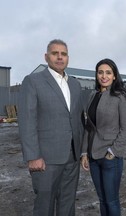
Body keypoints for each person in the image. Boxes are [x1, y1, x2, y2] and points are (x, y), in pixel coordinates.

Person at [18, 39, 84, 216]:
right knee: (44, 206)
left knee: (67, 205)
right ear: (46, 57)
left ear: (68, 58)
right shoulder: (33, 81)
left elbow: (79, 120)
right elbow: (26, 120)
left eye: (63, 54)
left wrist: (82, 151)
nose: (60, 57)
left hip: (72, 157)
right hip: (46, 160)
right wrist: (33, 156)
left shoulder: (75, 85)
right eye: (55, 53)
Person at [81, 58, 126, 216]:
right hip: (93, 157)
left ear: (114, 76)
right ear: (96, 75)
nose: (104, 76)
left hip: (111, 158)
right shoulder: (92, 95)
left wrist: (113, 152)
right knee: (102, 200)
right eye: (100, 72)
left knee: (111, 200)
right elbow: (88, 127)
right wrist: (84, 153)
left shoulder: (121, 97)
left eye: (108, 73)